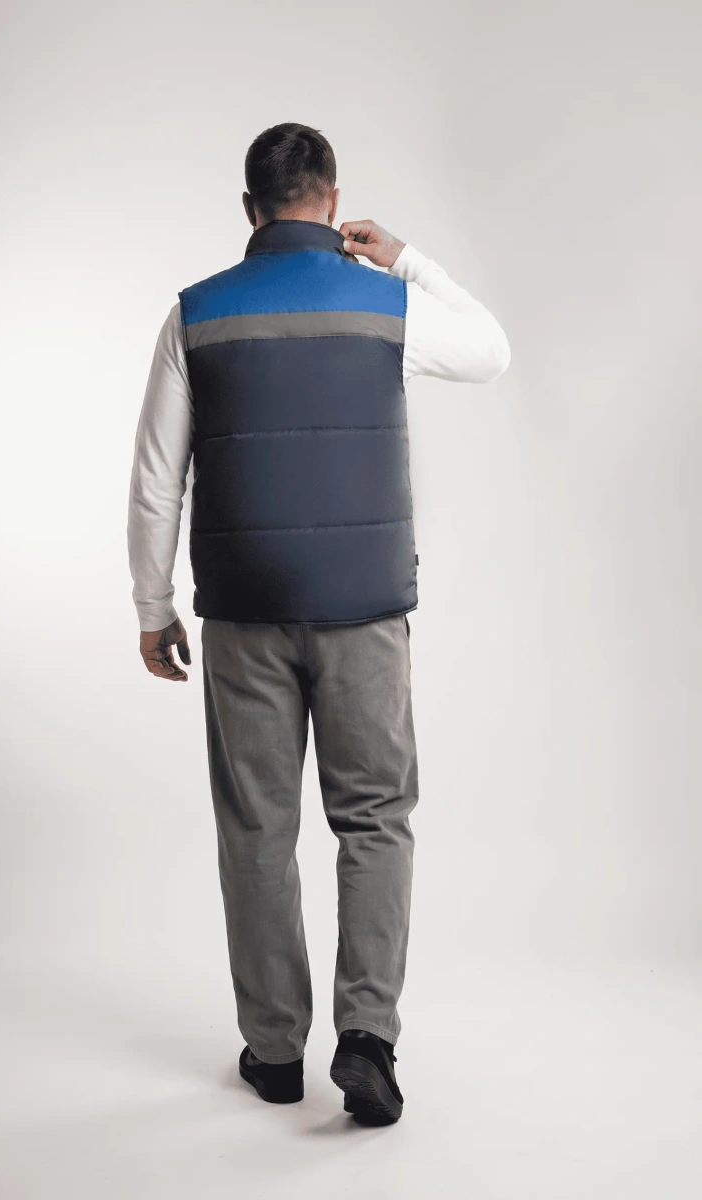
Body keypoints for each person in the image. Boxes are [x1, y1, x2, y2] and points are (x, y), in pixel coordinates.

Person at [127, 122, 510, 1125]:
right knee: (373, 818)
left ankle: (272, 1053)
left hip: (243, 612)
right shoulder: (385, 305)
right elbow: (491, 350)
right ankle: (367, 1039)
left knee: (257, 830)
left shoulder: (194, 313)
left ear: (247, 208)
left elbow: (158, 479)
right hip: (363, 609)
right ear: (332, 203)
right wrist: (407, 259)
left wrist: (152, 608)